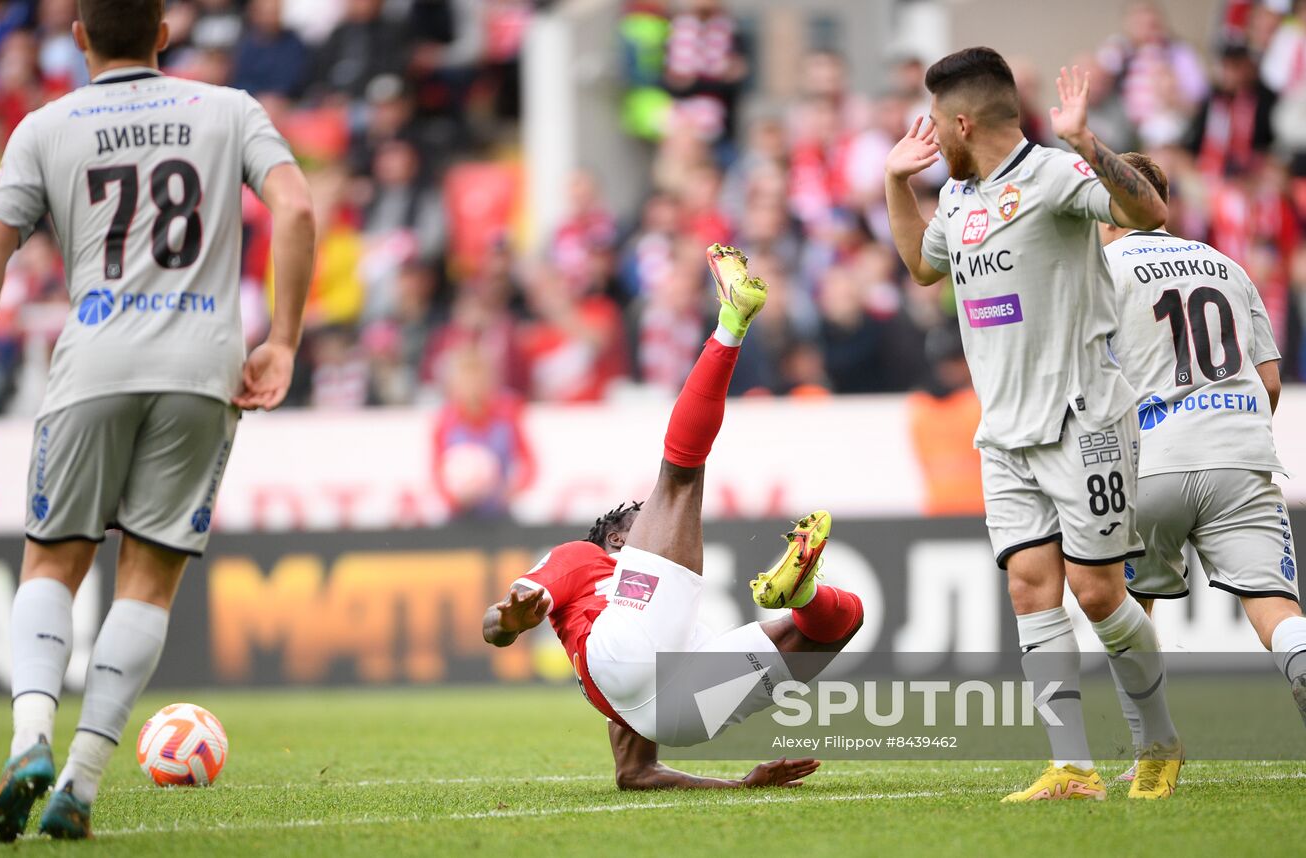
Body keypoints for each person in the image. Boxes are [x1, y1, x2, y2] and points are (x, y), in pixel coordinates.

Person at [0, 0, 314, 840]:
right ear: (164, 34)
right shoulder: (228, 109)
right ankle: (78, 782)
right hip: (201, 372)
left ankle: (31, 737)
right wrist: (282, 340)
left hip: (92, 365)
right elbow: (294, 209)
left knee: (52, 562)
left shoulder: (43, 126)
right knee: (148, 579)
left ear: (77, 36)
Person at [884, 47, 1181, 801]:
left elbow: (1149, 213)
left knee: (1098, 592)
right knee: (1029, 587)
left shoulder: (1052, 175)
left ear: (960, 121)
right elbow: (923, 266)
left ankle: (1159, 743)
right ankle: (1073, 768)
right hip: (1005, 432)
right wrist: (895, 182)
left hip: (1083, 419)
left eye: (936, 127)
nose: (932, 142)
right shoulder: (956, 198)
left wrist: (1087, 144)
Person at [482, 244, 864, 789]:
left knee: (841, 622)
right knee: (681, 474)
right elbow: (492, 624)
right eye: (642, 516)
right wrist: (508, 622)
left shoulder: (638, 621)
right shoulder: (581, 559)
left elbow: (634, 774)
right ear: (617, 540)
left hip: (673, 711)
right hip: (636, 668)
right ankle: (731, 320)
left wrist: (740, 788)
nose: (659, 521)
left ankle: (801, 595)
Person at [1098, 152, 1306, 778]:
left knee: (1129, 606)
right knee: (1275, 606)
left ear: (1111, 206)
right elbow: (1269, 381)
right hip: (1241, 454)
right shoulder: (1227, 264)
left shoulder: (1099, 269)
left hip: (1150, 462)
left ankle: (1153, 749)